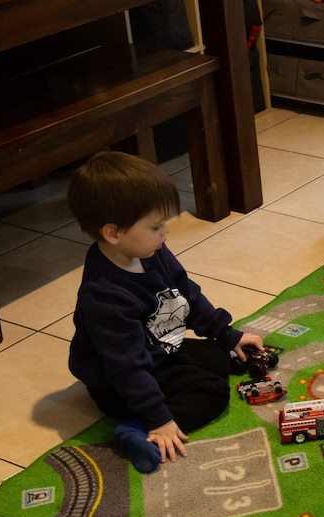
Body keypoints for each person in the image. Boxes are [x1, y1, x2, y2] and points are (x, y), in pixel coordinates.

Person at [67, 151, 262, 474]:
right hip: (119, 384)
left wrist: (228, 335)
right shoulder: (105, 296)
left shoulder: (149, 250)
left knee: (217, 356)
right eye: (156, 226)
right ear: (113, 233)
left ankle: (167, 400)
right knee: (212, 394)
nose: (165, 232)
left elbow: (187, 294)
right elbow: (126, 368)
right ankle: (138, 429)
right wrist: (159, 418)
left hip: (156, 353)